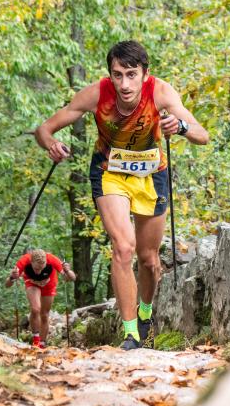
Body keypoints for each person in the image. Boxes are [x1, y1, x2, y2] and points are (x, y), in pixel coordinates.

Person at [35, 40, 209, 350]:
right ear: (110, 75)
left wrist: (180, 126)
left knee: (149, 259)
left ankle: (145, 314)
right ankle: (131, 334)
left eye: (131, 75)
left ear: (145, 74)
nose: (125, 84)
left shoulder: (161, 93)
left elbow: (202, 135)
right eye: (118, 75)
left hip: (152, 176)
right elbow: (44, 129)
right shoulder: (96, 94)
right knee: (123, 247)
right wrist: (51, 144)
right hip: (109, 172)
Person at [5, 248, 76, 348]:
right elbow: (7, 284)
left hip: (49, 285)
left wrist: (68, 271)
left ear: (46, 262)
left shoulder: (52, 260)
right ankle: (36, 341)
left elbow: (72, 278)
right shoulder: (24, 261)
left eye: (42, 268)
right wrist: (12, 277)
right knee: (35, 309)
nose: (39, 272)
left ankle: (42, 344)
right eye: (36, 269)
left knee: (44, 314)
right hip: (32, 283)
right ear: (31, 262)